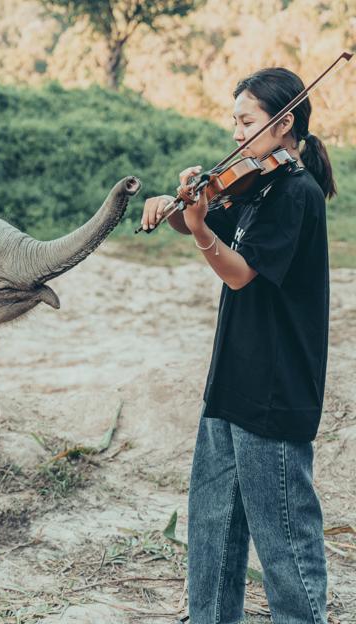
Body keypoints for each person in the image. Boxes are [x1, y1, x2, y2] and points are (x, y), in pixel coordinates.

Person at [141, 67, 334, 623]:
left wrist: (200, 230)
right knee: (212, 526)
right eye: (234, 121)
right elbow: (203, 220)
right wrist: (175, 206)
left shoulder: (294, 193)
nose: (235, 133)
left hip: (273, 392)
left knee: (284, 539)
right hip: (231, 383)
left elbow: (240, 273)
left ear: (284, 123)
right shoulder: (253, 183)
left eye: (246, 121)